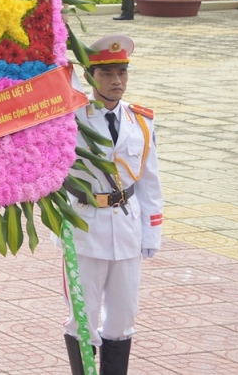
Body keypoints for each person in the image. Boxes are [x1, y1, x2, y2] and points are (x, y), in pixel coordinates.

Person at [63, 34, 162, 375]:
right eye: (107, 73)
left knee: (122, 316)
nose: (117, 80)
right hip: (85, 227)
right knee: (83, 315)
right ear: (90, 77)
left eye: (122, 72)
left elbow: (149, 182)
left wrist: (151, 233)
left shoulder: (141, 122)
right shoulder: (71, 120)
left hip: (127, 227)